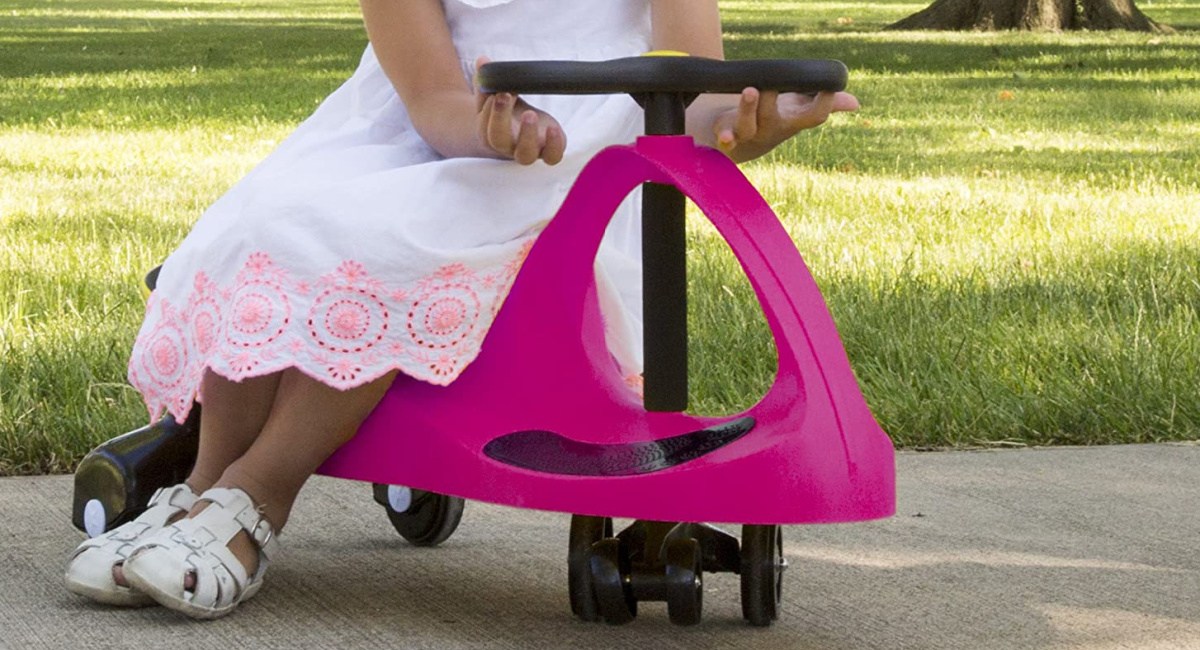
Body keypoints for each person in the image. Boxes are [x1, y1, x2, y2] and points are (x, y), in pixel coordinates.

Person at [64, 0, 859, 619]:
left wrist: (752, 124)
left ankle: (258, 496)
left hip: (577, 160)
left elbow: (693, 90)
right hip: (448, 134)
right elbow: (437, 98)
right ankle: (205, 488)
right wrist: (493, 128)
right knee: (275, 219)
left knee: (402, 243)